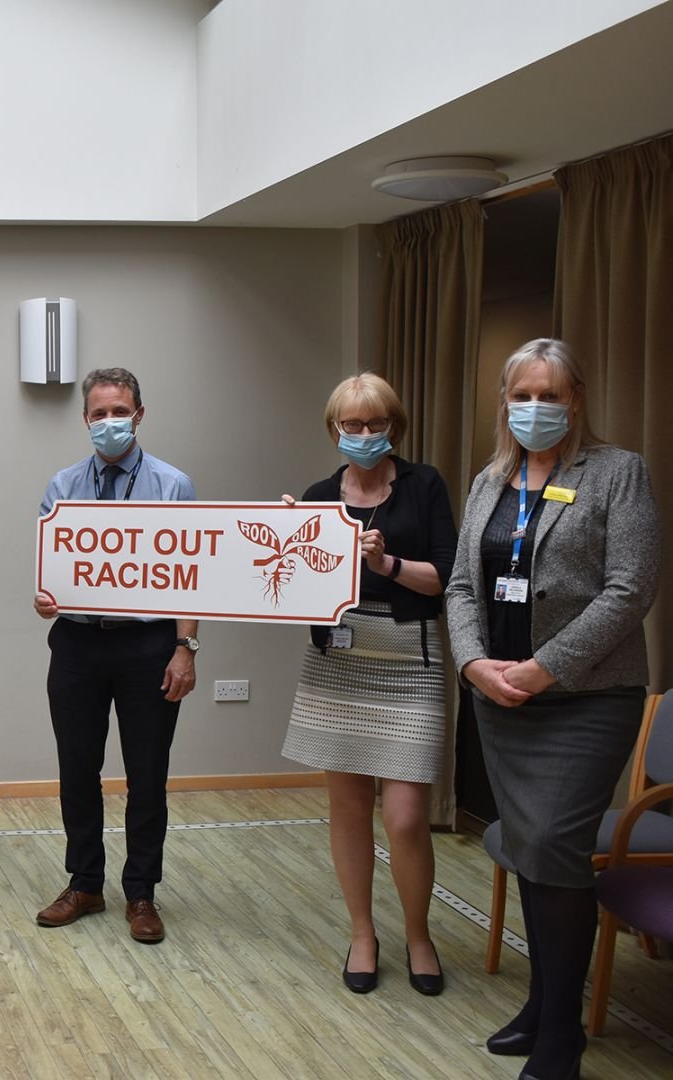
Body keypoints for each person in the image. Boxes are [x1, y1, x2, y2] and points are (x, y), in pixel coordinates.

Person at [447, 339, 660, 1080]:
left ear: (577, 400)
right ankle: (543, 1003)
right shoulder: (488, 480)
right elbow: (461, 588)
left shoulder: (617, 472)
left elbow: (630, 589)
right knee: (533, 855)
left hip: (586, 701)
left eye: (551, 394)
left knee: (557, 852)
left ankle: (562, 1032)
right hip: (500, 702)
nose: (535, 407)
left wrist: (544, 669)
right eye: (522, 394)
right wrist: (474, 663)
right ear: (503, 400)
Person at [280, 374, 456, 995]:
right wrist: (281, 543)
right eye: (350, 425)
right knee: (348, 809)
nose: (361, 434)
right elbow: (295, 591)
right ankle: (362, 933)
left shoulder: (424, 485)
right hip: (338, 662)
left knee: (406, 817)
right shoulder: (318, 496)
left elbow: (446, 578)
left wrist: (385, 564)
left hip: (409, 659)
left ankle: (418, 934)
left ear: (394, 426)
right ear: (334, 430)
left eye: (374, 423)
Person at [31, 368, 198, 943]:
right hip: (77, 643)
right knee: (77, 768)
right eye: (98, 414)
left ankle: (142, 894)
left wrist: (185, 648)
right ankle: (85, 884)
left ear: (139, 414)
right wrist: (46, 596)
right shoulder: (62, 485)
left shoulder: (173, 485)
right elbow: (52, 575)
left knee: (147, 773)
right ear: (85, 420)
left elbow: (189, 579)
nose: (109, 423)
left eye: (119, 411)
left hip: (148, 646)